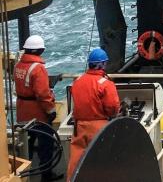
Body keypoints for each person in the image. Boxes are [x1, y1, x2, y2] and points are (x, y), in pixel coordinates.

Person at [66, 48, 120, 180]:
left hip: (79, 126)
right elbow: (112, 107)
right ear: (102, 64)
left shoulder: (77, 81)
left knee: (77, 157)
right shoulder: (106, 84)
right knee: (102, 159)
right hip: (99, 126)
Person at [14, 35, 61, 181]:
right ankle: (46, 175)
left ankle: (23, 174)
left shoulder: (18, 66)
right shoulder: (38, 68)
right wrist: (50, 111)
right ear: (40, 50)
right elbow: (42, 94)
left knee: (26, 143)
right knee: (45, 144)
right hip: (37, 112)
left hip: (22, 110)